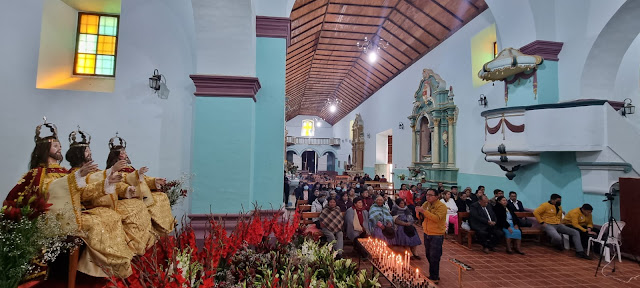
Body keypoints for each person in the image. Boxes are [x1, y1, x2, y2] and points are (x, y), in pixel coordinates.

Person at [47, 127, 136, 277]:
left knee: (116, 214)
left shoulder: (82, 172)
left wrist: (114, 182)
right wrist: (107, 177)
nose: (90, 153)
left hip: (90, 208)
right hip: (74, 213)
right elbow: (80, 192)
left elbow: (92, 185)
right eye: (87, 150)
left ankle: (118, 261)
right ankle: (106, 266)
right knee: (104, 219)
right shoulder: (72, 174)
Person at [102, 133, 175, 237]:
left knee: (161, 197)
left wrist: (154, 181)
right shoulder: (114, 169)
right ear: (116, 155)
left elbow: (142, 179)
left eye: (124, 152)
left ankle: (162, 230)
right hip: (127, 195)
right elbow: (122, 180)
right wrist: (134, 179)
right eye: (122, 153)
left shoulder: (129, 167)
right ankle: (154, 232)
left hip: (138, 191)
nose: (125, 154)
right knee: (149, 202)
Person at [533, 194, 590, 259]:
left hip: (558, 224)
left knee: (575, 232)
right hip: (548, 224)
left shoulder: (559, 207)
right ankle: (556, 243)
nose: (559, 202)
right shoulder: (545, 205)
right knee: (558, 238)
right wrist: (542, 222)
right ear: (552, 200)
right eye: (558, 200)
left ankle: (580, 251)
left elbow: (560, 215)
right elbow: (536, 212)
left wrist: (560, 222)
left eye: (560, 200)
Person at [415, 189, 446, 284]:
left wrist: (423, 211)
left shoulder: (441, 207)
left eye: (430, 195)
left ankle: (434, 276)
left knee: (434, 256)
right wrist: (418, 211)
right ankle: (434, 273)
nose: (428, 197)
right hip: (427, 232)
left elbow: (436, 218)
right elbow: (420, 215)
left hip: (436, 234)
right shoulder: (426, 203)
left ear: (437, 196)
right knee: (428, 254)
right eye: (427, 195)